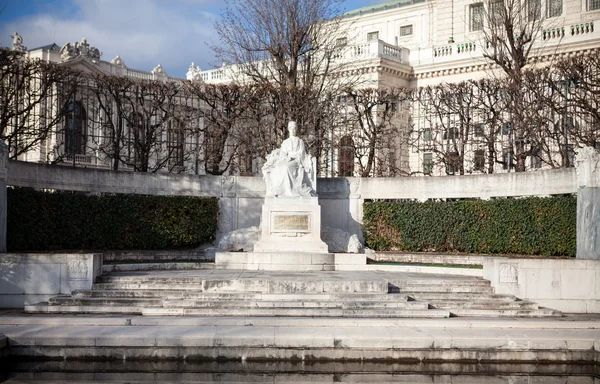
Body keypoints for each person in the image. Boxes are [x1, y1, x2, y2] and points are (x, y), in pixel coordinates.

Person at [263, 121, 316, 197]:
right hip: (287, 160)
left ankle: (286, 191)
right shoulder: (285, 142)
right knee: (278, 167)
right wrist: (286, 158)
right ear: (288, 129)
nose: (293, 130)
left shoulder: (300, 141)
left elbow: (301, 154)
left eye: (294, 129)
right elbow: (282, 154)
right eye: (291, 129)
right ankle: (278, 189)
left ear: (296, 129)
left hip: (296, 161)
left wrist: (292, 156)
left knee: (286, 167)